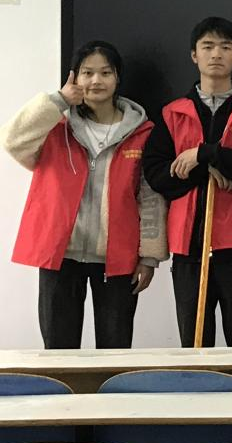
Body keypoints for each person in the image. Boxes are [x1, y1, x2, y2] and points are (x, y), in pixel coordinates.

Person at [2, 41, 167, 349]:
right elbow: (13, 140)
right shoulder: (56, 127)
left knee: (115, 349)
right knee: (59, 351)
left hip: (117, 256)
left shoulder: (142, 132)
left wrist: (149, 256)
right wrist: (58, 101)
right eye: (87, 73)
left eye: (105, 72)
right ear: (74, 77)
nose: (96, 81)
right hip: (61, 254)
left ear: (117, 77)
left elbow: (150, 199)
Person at [141, 17, 232, 348]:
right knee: (194, 345)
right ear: (194, 55)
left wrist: (205, 154)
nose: (216, 54)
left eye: (225, 47)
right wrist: (207, 168)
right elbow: (157, 175)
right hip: (189, 247)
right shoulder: (172, 113)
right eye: (208, 46)